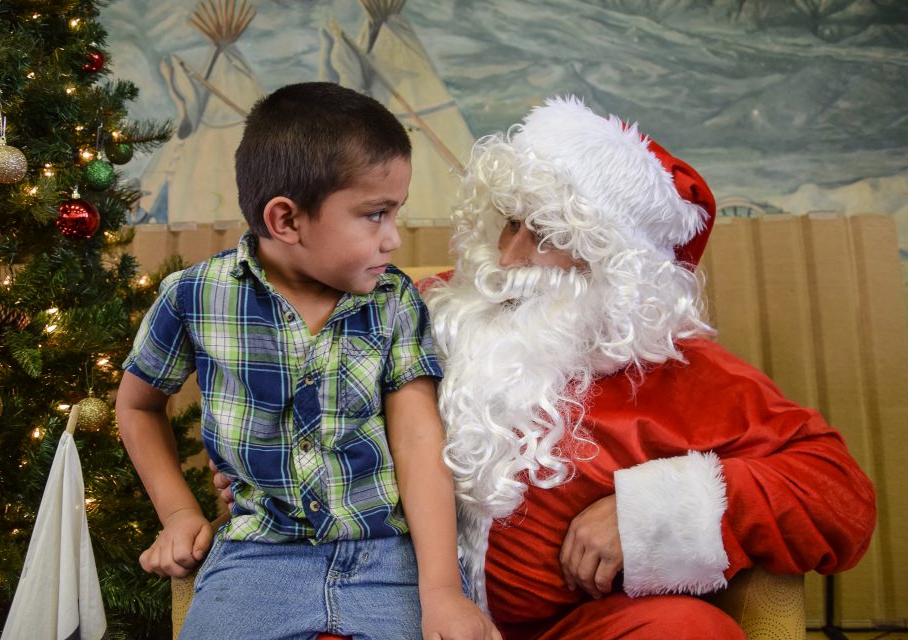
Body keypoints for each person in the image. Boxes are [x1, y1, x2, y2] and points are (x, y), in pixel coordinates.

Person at [416, 96, 876, 639]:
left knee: (685, 630)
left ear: (619, 270)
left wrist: (655, 511)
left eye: (548, 236)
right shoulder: (435, 310)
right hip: (384, 615)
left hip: (564, 631)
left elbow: (839, 498)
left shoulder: (683, 375)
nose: (509, 257)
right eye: (511, 222)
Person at [116, 82, 498, 640]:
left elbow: (418, 442)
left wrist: (441, 591)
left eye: (397, 212)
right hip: (256, 559)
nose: (394, 238)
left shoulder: (393, 301)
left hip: (387, 558)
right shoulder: (194, 296)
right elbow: (138, 406)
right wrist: (177, 513)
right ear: (287, 221)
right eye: (375, 214)